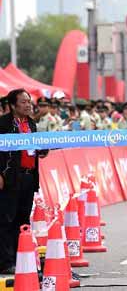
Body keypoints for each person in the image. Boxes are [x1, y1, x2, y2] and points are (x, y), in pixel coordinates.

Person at [0, 89, 48, 274]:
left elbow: (32, 150)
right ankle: (6, 262)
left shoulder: (31, 124)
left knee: (22, 220)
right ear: (13, 105)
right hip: (10, 177)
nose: (28, 105)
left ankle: (21, 259)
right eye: (23, 102)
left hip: (29, 177)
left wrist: (42, 150)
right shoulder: (3, 124)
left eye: (29, 101)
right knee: (6, 220)